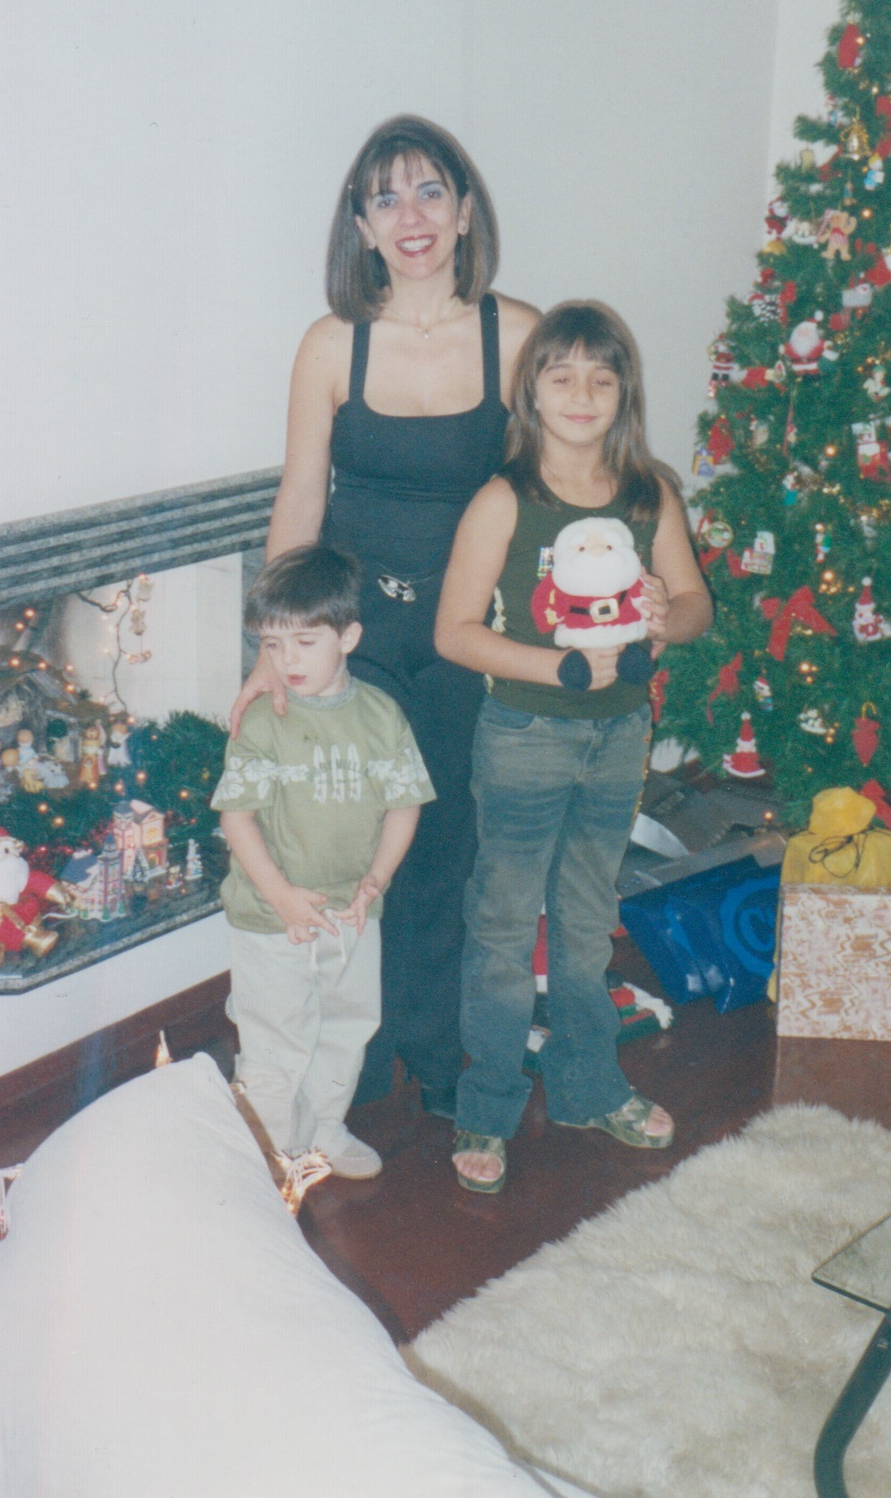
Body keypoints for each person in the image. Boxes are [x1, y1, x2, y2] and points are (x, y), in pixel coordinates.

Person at [230, 115, 538, 1115]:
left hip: (457, 643)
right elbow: (299, 503)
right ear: (359, 224)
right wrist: (271, 652)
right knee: (337, 848)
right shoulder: (331, 346)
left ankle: (436, 1054)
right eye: (384, 197)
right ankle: (343, 1069)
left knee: (440, 851)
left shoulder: (516, 336)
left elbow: (552, 493)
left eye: (428, 192)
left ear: (462, 210)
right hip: (347, 646)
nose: (409, 216)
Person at [433, 301, 713, 1192]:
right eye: (562, 375)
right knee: (506, 926)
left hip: (619, 737)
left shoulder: (647, 492)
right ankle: (485, 1105)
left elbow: (697, 605)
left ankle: (590, 1082)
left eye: (602, 375)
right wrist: (560, 669)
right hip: (524, 737)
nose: (582, 393)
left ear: (623, 390)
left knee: (589, 926)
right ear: (533, 391)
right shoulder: (503, 498)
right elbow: (455, 632)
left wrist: (674, 615)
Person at [213, 545, 435, 1180]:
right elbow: (237, 817)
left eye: (305, 643)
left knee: (346, 1025)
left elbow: (403, 805)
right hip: (270, 915)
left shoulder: (379, 715)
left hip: (351, 912)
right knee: (275, 1040)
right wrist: (281, 895)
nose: (288, 662)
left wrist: (377, 880)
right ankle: (267, 1154)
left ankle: (326, 1131)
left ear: (349, 636)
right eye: (273, 646)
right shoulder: (262, 720)